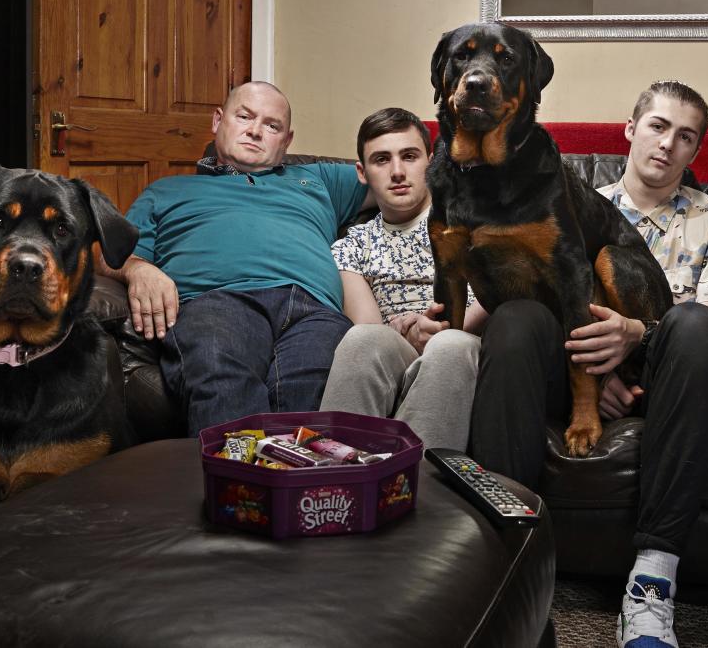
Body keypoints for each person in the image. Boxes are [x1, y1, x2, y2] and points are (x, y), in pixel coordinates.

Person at [469, 81, 708, 648]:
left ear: (696, 152)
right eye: (657, 126)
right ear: (630, 128)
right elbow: (494, 296)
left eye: (685, 136)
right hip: (572, 362)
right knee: (518, 318)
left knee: (692, 324)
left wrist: (636, 337)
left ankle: (652, 580)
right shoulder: (566, 202)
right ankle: (504, 564)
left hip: (667, 372)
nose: (668, 144)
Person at [98, 81, 370, 435]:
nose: (255, 131)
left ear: (286, 141)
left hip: (314, 310)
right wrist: (138, 270)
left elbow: (409, 172)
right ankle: (242, 487)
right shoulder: (167, 191)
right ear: (217, 121)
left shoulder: (320, 179)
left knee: (311, 389)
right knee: (220, 368)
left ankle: (297, 485)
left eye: (272, 126)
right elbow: (110, 255)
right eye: (245, 116)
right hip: (218, 302)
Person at [319, 108, 488, 450]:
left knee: (449, 346)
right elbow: (367, 326)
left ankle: (420, 491)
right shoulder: (352, 246)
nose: (397, 172)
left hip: (467, 339)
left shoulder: (474, 222)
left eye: (409, 156)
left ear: (430, 160)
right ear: (362, 172)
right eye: (382, 160)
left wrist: (448, 327)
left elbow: (500, 290)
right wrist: (407, 330)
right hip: (398, 345)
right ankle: (334, 481)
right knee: (362, 340)